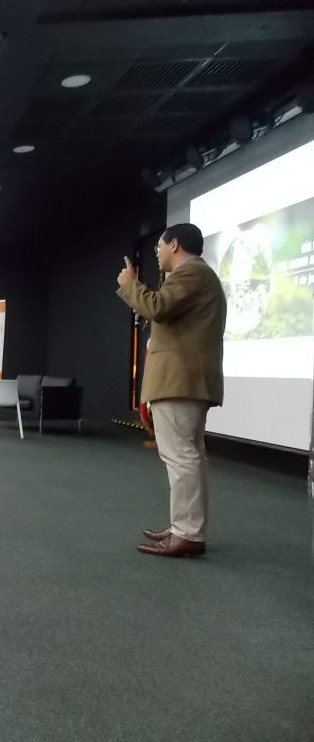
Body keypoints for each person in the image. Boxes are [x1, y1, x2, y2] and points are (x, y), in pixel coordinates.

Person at [116, 223, 226, 558]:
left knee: (181, 457)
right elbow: (164, 314)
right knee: (188, 457)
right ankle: (186, 528)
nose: (158, 254)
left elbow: (158, 307)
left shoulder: (191, 272)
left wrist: (130, 283)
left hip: (180, 381)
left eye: (159, 248)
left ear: (174, 244)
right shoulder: (197, 276)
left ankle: (187, 533)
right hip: (186, 381)